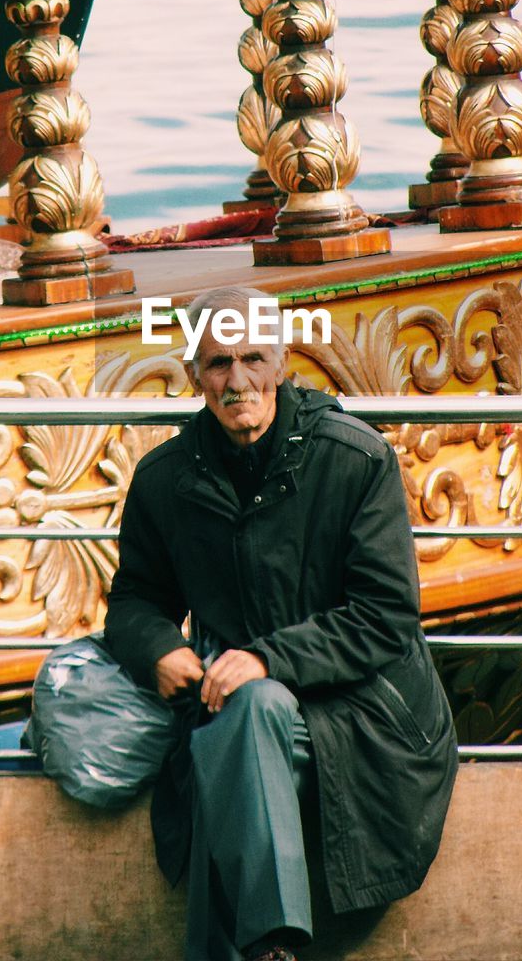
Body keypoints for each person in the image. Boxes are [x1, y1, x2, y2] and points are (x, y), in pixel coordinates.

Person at [104, 286, 457, 961]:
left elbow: (387, 618)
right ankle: (272, 950)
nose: (238, 381)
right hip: (244, 707)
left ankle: (256, 948)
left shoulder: (355, 458)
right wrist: (157, 648)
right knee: (241, 716)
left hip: (372, 712)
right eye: (217, 364)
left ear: (284, 363)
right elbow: (134, 602)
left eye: (253, 359)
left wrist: (268, 659)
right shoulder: (164, 479)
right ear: (192, 375)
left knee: (243, 715)